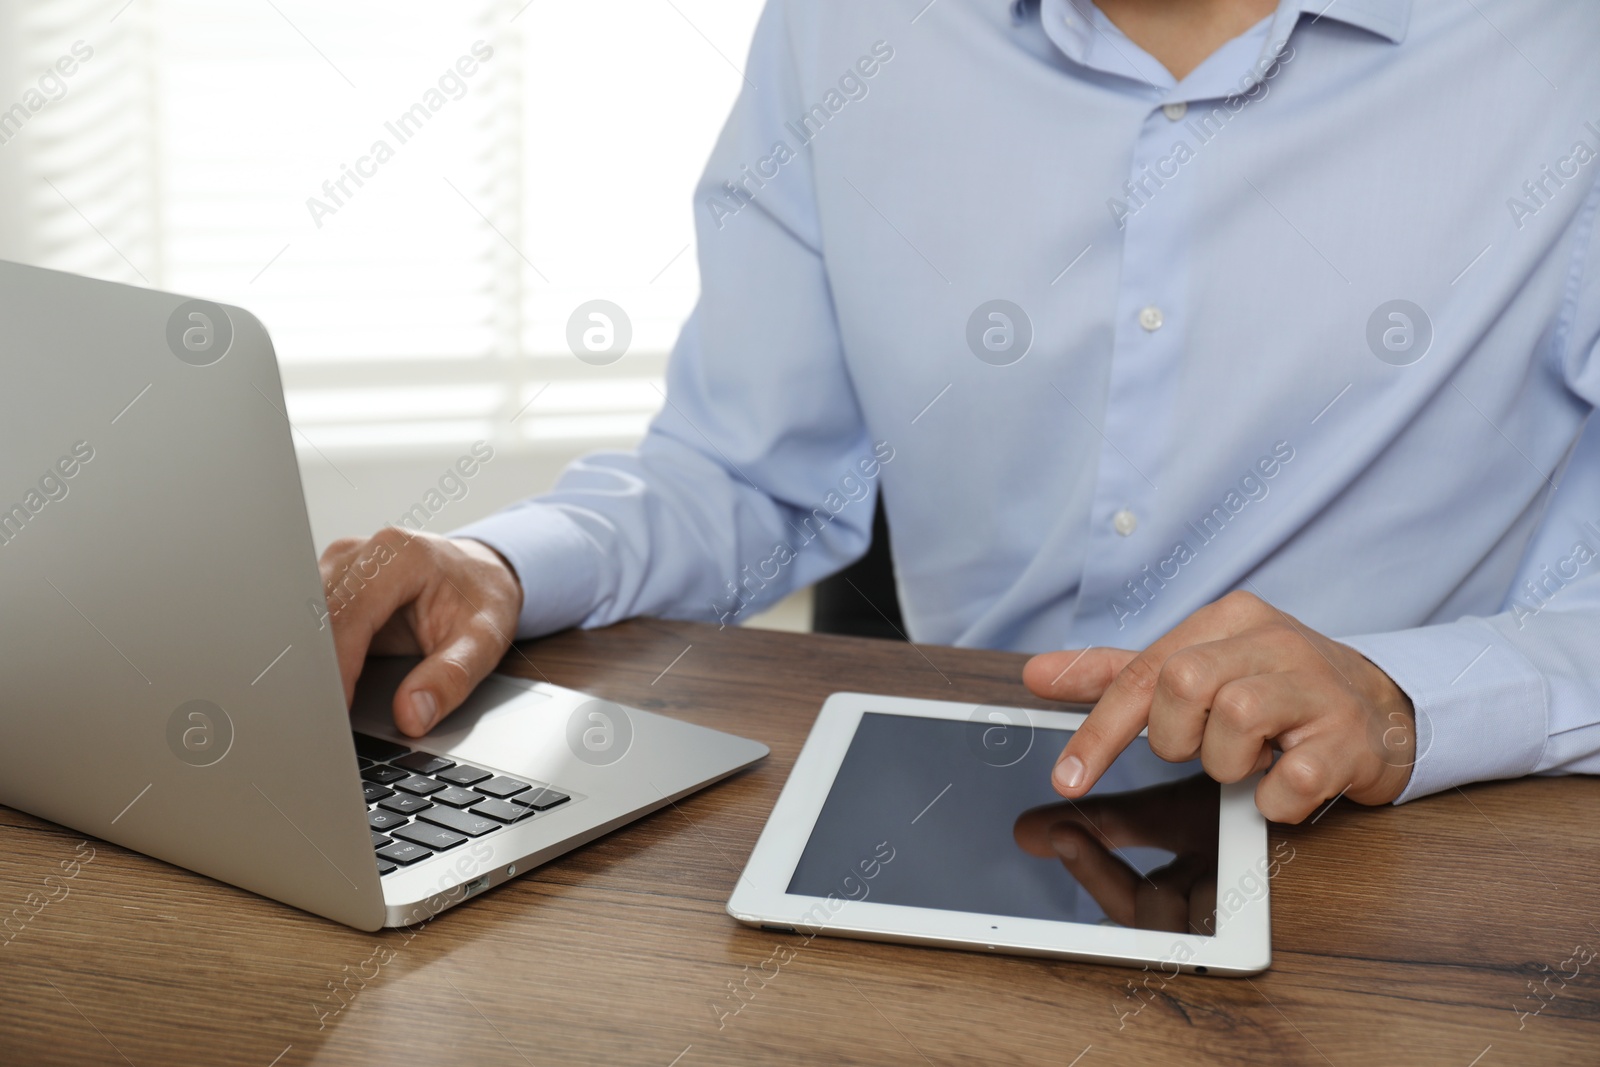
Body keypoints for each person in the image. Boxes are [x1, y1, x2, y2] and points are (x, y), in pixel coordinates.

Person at [318, 0, 1600, 823]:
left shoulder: (1561, 58)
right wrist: (498, 562)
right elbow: (753, 475)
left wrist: (1399, 696)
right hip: (954, 824)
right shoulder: (843, 33)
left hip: (1406, 849)